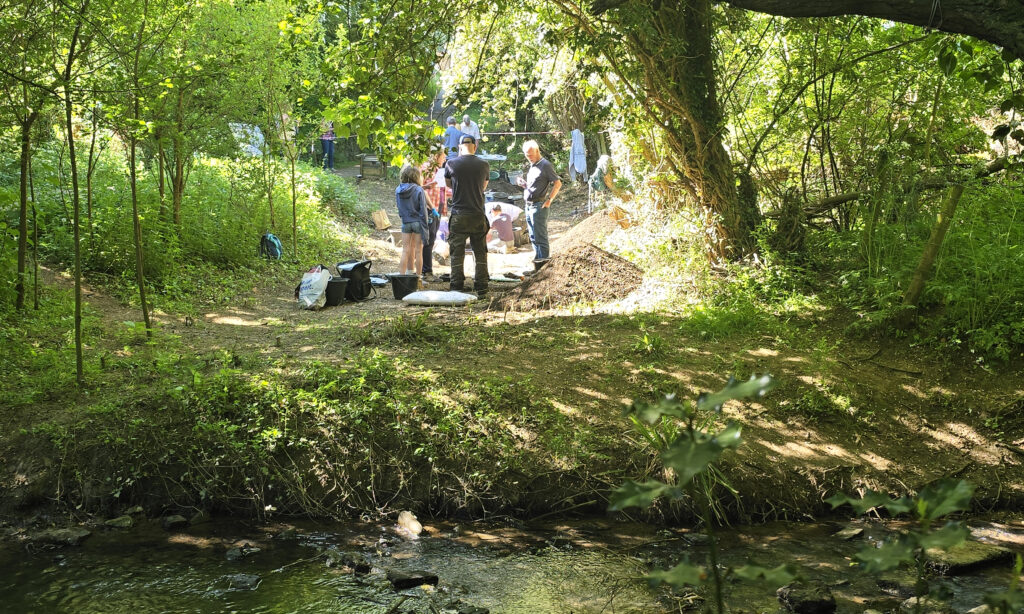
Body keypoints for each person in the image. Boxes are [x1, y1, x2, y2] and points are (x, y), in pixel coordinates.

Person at [444, 135, 490, 294]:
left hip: (459, 214)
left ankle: (456, 285)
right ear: (475, 146)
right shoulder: (484, 165)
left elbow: (449, 185)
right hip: (477, 214)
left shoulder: (451, 164)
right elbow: (483, 187)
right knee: (480, 252)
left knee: (457, 252)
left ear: (459, 147)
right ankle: (482, 286)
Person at [516, 139, 562, 260]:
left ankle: (544, 265)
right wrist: (524, 184)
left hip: (539, 205)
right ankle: (538, 263)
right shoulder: (533, 166)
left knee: (540, 237)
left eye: (531, 154)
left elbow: (557, 184)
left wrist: (549, 200)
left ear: (537, 151)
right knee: (533, 237)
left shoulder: (545, 165)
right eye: (527, 155)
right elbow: (535, 185)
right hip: (528, 205)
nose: (529, 157)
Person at [395, 164, 430, 276]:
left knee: (405, 250)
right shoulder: (419, 189)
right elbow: (423, 209)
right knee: (418, 251)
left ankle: (401, 277)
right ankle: (418, 278)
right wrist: (425, 224)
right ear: (416, 176)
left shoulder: (398, 190)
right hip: (418, 222)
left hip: (405, 222)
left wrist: (404, 218)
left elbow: (399, 207)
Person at [420, 148, 448, 281]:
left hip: (439, 208)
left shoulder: (441, 171)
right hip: (428, 209)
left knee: (432, 239)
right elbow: (416, 188)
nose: (445, 158)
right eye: (443, 155)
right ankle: (426, 271)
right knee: (428, 239)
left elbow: (443, 189)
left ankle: (427, 270)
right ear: (436, 156)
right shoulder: (426, 169)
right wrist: (427, 186)